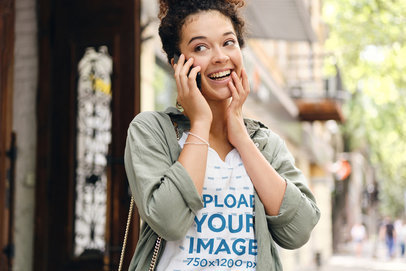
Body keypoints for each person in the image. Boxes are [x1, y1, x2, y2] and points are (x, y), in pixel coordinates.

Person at [124, 0, 320, 270]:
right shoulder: (151, 131)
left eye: (228, 42)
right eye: (200, 47)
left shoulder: (264, 142)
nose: (220, 57)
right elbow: (170, 221)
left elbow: (298, 230)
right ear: (177, 64)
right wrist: (201, 122)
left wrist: (241, 137)